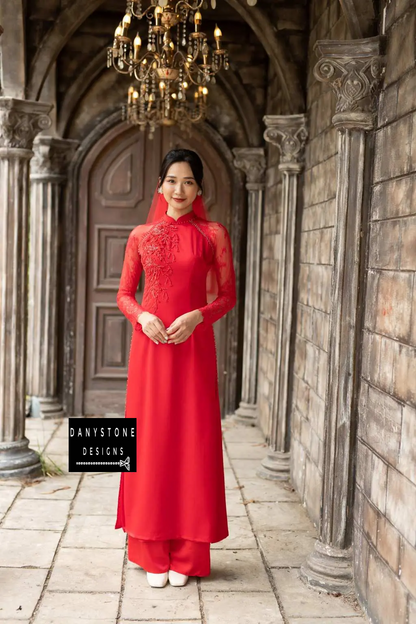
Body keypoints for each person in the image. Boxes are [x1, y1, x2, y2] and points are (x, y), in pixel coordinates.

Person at [114, 148, 237, 588]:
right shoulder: (140, 235)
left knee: (192, 439)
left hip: (193, 348)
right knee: (149, 440)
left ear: (199, 188)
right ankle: (148, 545)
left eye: (187, 181)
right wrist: (143, 317)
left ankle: (187, 550)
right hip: (150, 350)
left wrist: (197, 316)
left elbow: (226, 296)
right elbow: (125, 294)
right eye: (171, 180)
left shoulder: (213, 235)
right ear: (160, 186)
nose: (179, 189)